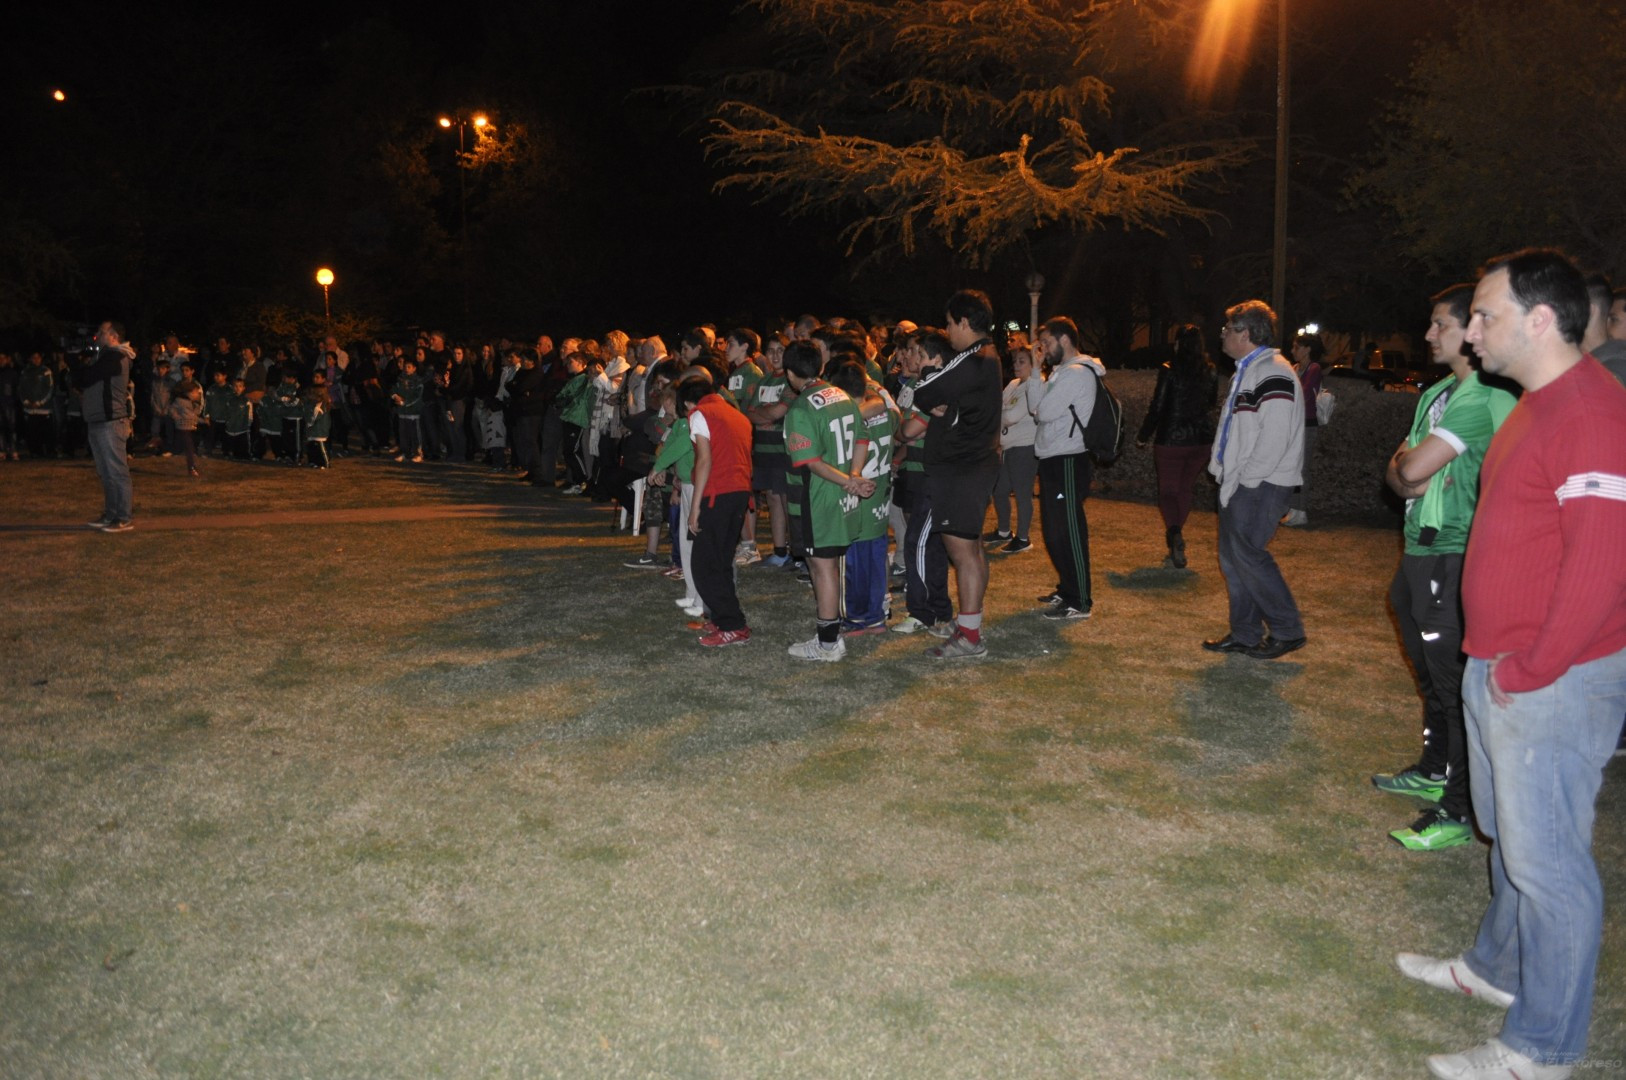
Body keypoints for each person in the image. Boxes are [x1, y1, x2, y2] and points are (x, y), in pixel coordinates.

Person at [1397, 249, 1626, 1080]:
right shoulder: (1535, 404)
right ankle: (1496, 967)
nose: (1472, 332)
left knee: (1549, 865)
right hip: (1501, 660)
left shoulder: (1591, 414)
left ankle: (1543, 1048)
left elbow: (1602, 565)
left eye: (1485, 316)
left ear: (1540, 319)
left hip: (1550, 678)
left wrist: (1532, 669)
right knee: (1511, 839)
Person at [1371, 284, 1517, 852]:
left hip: (1456, 550)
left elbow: (1413, 469)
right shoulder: (1438, 391)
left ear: (1471, 331)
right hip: (1420, 545)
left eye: (1441, 325)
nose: (1429, 334)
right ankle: (1435, 769)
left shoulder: (1482, 397)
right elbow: (1401, 472)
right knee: (1432, 673)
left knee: (1455, 684)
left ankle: (1459, 808)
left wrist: (1408, 469)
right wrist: (1407, 469)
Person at [1201, 300, 1307, 659]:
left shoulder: (1273, 373)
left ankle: (1288, 630)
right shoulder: (1248, 372)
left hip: (1260, 483)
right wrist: (1222, 469)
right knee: (1234, 561)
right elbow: (1235, 429)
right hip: (1244, 481)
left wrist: (1246, 480)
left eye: (1227, 329)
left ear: (1244, 333)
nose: (1222, 336)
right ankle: (1245, 634)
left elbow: (1274, 438)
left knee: (1247, 556)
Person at [909, 289, 1004, 659]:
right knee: (972, 550)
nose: (947, 331)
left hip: (962, 468)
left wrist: (929, 375)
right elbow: (945, 399)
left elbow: (923, 393)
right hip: (970, 465)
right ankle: (969, 624)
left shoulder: (975, 358)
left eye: (949, 323)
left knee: (962, 553)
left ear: (964, 322)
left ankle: (970, 637)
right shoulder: (983, 357)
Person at [782, 346, 873, 660]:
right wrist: (854, 475)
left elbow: (811, 462)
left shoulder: (800, 408)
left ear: (790, 374)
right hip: (842, 495)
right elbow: (862, 437)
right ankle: (830, 634)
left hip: (820, 497)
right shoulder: (843, 396)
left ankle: (828, 643)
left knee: (822, 568)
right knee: (828, 565)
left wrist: (848, 480)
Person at [1027, 316, 1106, 621]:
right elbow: (1035, 409)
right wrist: (1035, 371)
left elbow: (1043, 412)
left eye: (1046, 343)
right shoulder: (1061, 373)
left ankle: (1080, 600)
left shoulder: (1076, 373)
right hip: (1053, 459)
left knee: (1069, 531)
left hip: (1068, 461)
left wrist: (1041, 401)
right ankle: (1067, 588)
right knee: (1054, 530)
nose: (1043, 350)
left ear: (1064, 339)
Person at [1136, 324, 1218, 568]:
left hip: (1171, 439)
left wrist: (1143, 434)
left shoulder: (1169, 370)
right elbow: (1211, 402)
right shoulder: (1210, 370)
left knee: (1168, 492)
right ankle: (1176, 535)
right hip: (1201, 439)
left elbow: (1158, 405)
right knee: (1184, 489)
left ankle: (1175, 533)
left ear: (1179, 344)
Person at [681, 377, 756, 648]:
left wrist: (695, 507)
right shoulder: (738, 416)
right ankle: (723, 618)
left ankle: (732, 624)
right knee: (721, 560)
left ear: (688, 402)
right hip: (739, 491)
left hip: (718, 492)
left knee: (704, 564)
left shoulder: (700, 413)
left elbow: (704, 460)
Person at [76, 321, 136, 532]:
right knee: (106, 472)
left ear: (113, 335)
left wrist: (76, 363)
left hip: (111, 421)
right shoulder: (105, 356)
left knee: (117, 472)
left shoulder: (116, 357)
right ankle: (111, 514)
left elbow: (85, 378)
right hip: (100, 420)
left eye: (101, 332)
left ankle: (123, 517)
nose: (97, 335)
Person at [984, 340, 1038, 553]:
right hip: (1007, 447)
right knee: (1000, 490)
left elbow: (1011, 417)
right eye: (1015, 361)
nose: (1016, 365)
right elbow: (997, 408)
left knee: (1022, 494)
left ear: (1035, 364)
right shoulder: (1014, 384)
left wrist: (999, 414)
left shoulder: (1036, 385)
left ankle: (1023, 538)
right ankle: (1004, 531)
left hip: (1025, 447)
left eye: (1022, 361)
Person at [1281, 331, 1325, 527]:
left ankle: (1300, 511)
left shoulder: (1314, 368)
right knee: (1292, 466)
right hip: (1295, 423)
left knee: (1302, 467)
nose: (1292, 351)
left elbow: (1304, 394)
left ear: (1307, 349)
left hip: (1307, 424)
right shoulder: (1296, 368)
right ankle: (1293, 509)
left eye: (1296, 347)